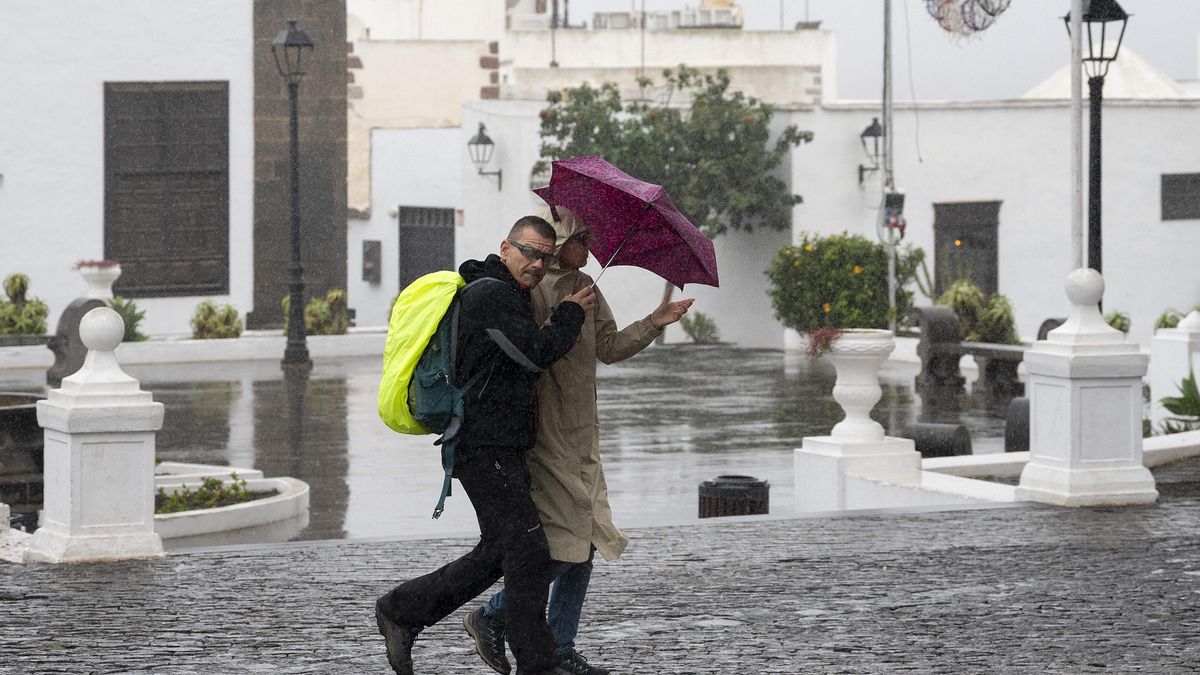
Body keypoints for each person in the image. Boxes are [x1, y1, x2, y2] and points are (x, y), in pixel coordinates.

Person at [463, 207, 694, 675]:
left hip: (584, 432)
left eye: (590, 238)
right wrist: (562, 312)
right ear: (560, 242)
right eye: (582, 239)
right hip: (546, 434)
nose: (591, 247)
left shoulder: (588, 287)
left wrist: (654, 320)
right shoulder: (528, 289)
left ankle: (560, 645)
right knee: (568, 542)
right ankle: (494, 614)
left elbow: (609, 348)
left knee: (585, 540)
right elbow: (529, 352)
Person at [375, 215, 598, 675]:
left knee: (500, 551)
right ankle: (538, 663)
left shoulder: (508, 294)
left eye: (545, 257)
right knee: (529, 551)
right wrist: (569, 314)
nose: (536, 264)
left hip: (495, 445)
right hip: (482, 447)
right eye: (529, 252)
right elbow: (535, 353)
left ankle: (402, 610)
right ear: (506, 247)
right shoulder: (491, 296)